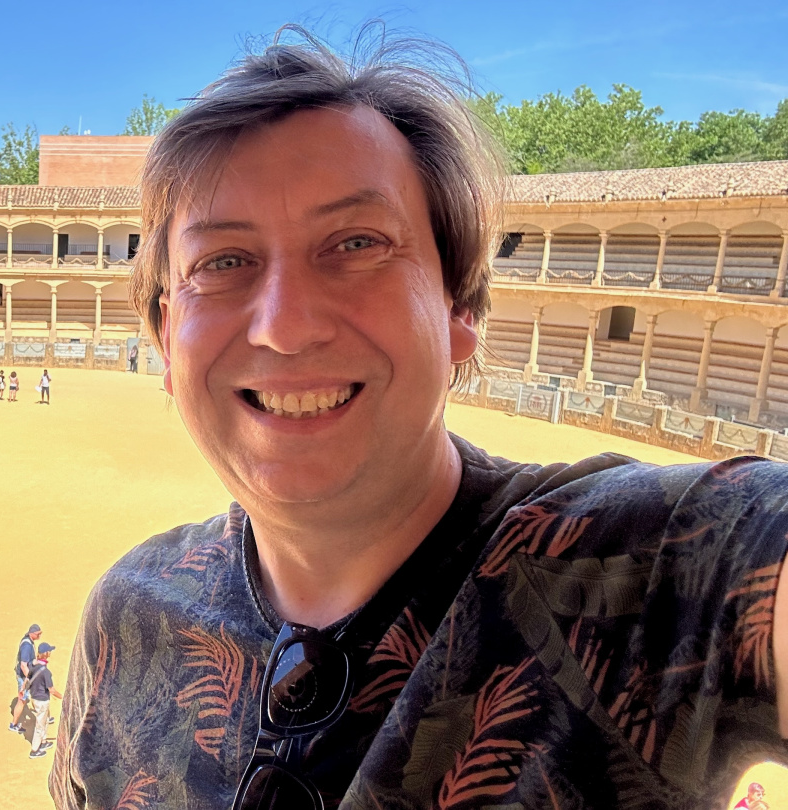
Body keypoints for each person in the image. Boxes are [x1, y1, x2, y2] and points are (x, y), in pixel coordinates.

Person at [51, 29, 788, 810]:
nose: (286, 325)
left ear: (459, 306)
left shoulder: (660, 564)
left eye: (357, 243)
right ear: (167, 340)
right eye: (222, 262)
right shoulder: (123, 619)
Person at [25, 642, 62, 759]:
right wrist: (63, 697)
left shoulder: (33, 665)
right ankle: (34, 750)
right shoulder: (46, 672)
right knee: (40, 725)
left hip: (34, 698)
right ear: (46, 654)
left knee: (45, 719)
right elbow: (51, 690)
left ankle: (44, 741)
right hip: (42, 701)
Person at [9, 624, 43, 733]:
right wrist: (30, 678)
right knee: (22, 700)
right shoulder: (27, 646)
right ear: (31, 633)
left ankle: (45, 716)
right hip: (24, 678)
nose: (39, 636)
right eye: (38, 634)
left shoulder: (28, 641)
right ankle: (13, 724)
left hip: (26, 676)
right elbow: (23, 665)